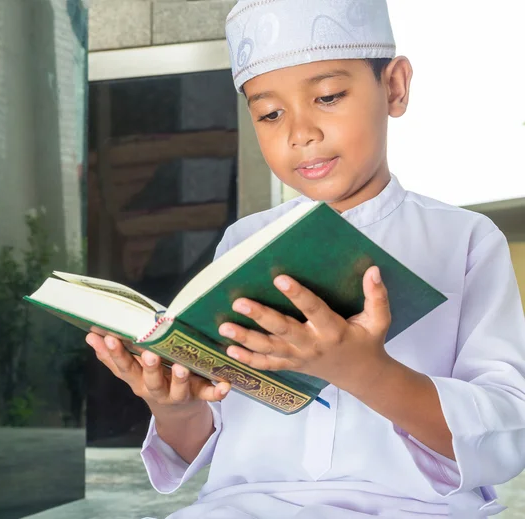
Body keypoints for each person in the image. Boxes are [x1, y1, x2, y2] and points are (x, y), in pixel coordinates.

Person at [85, 0, 525, 517]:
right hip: (241, 506)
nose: (301, 133)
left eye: (329, 96)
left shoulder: (466, 240)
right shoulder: (241, 242)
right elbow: (211, 427)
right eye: (271, 114)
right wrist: (173, 405)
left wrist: (365, 371)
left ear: (395, 87)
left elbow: (506, 433)